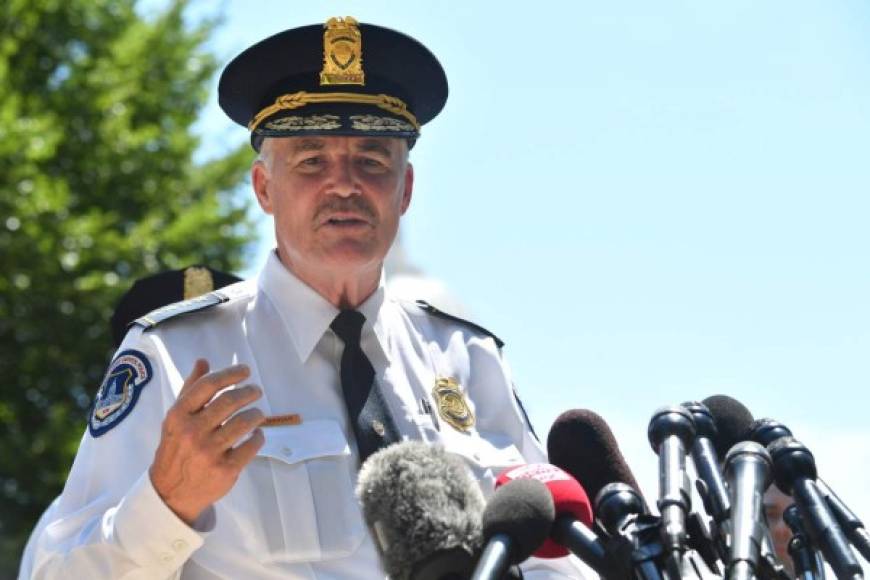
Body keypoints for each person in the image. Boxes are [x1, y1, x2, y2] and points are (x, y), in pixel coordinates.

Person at [29, 17, 586, 579]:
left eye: (371, 161)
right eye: (311, 160)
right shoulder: (176, 357)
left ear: (406, 190)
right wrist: (165, 503)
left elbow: (553, 561)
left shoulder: (466, 357)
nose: (344, 184)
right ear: (265, 188)